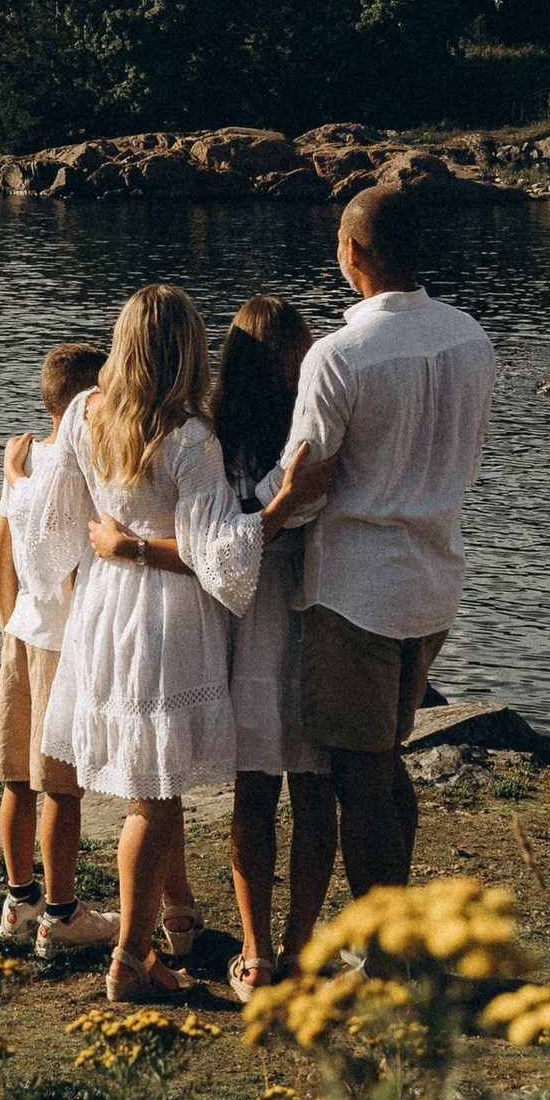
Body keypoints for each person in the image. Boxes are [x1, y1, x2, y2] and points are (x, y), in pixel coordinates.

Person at [18, 282, 298, 1010]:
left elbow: (57, 521)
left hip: (103, 609)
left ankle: (145, 950)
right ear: (188, 350)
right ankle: (129, 960)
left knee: (155, 790)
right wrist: (282, 501)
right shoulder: (191, 440)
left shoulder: (84, 414)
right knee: (153, 796)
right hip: (165, 619)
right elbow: (220, 555)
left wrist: (115, 542)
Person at [277, 180, 497, 898]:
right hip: (434, 579)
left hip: (356, 593)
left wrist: (250, 518)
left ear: (351, 252)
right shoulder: (471, 338)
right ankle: (398, 926)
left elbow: (306, 482)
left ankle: (381, 944)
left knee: (360, 778)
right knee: (384, 759)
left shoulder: (338, 355)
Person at [209, 296, 337, 997]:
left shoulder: (216, 435)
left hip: (249, 624)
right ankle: (299, 946)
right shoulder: (316, 430)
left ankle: (257, 953)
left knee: (254, 793)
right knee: (314, 792)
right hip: (312, 610)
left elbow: (225, 528)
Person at [0, 341, 117, 965]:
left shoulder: (26, 460)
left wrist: (7, 624)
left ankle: (20, 900)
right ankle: (62, 914)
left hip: (20, 632)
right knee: (60, 786)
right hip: (61, 643)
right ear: (86, 402)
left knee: (18, 777)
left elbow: (2, 551)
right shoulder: (81, 465)